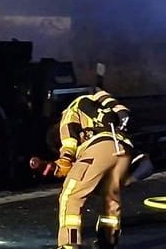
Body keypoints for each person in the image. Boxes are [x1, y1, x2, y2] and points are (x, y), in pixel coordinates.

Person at [52, 89, 132, 249]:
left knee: (71, 197)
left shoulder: (70, 110)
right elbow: (122, 111)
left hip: (98, 149)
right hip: (124, 151)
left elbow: (69, 141)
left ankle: (70, 243)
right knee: (110, 199)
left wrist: (65, 160)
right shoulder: (102, 104)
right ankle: (107, 242)